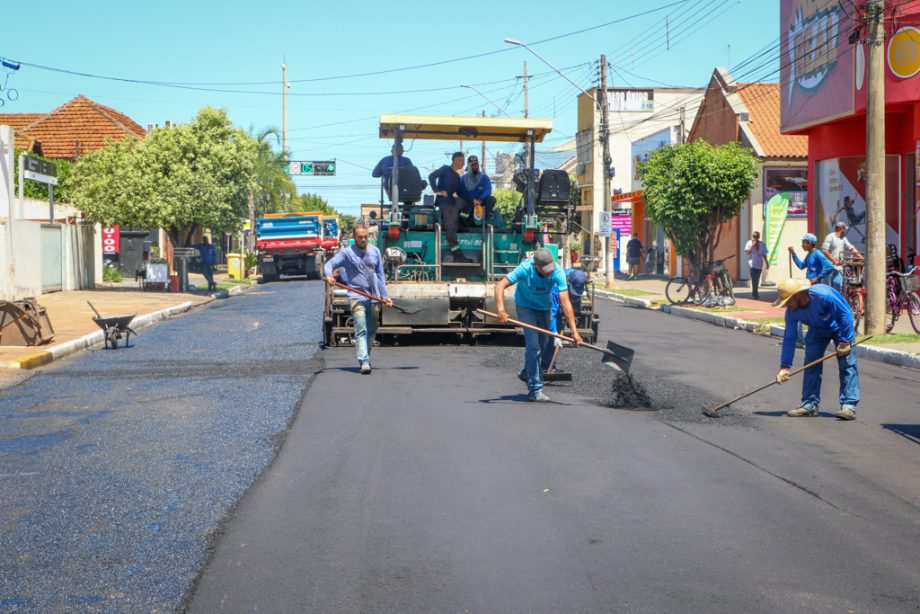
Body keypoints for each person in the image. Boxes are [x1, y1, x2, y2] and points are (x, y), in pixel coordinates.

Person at [494, 248, 583, 402]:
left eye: (550, 269)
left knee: (543, 343)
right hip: (525, 307)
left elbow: (565, 302)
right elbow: (500, 285)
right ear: (536, 266)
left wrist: (574, 332)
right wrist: (501, 310)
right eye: (545, 270)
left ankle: (527, 372)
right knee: (533, 346)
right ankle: (535, 389)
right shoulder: (525, 269)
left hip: (545, 308)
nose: (549, 273)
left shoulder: (557, 271)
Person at [773, 278, 859, 420]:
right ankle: (809, 404)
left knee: (847, 364)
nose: (786, 305)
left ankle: (849, 406)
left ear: (798, 295)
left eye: (788, 301)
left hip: (840, 328)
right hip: (817, 330)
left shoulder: (823, 295)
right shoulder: (792, 311)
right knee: (811, 365)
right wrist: (785, 367)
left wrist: (845, 341)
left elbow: (845, 314)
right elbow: (789, 337)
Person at [323, 224, 393, 374]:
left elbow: (381, 275)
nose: (363, 239)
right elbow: (330, 264)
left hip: (374, 296)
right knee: (361, 328)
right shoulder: (347, 253)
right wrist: (329, 275)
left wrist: (385, 296)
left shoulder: (375, 251)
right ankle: (364, 361)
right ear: (354, 237)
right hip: (357, 296)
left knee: (372, 329)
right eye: (360, 237)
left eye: (365, 237)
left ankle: (365, 355)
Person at [428, 152, 470, 263]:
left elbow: (460, 193)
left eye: (463, 161)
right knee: (451, 229)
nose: (463, 163)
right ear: (455, 160)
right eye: (461, 160)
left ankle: (461, 222)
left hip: (453, 202)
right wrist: (437, 191)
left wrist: (473, 199)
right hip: (444, 203)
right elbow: (431, 176)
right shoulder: (445, 169)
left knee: (468, 202)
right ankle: (457, 254)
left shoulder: (457, 176)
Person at [821, 221, 862, 291]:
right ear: (841, 229)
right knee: (828, 287)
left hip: (839, 267)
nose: (845, 231)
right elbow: (825, 250)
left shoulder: (844, 239)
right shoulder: (830, 237)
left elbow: (852, 249)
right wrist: (834, 261)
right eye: (844, 229)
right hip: (829, 266)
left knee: (838, 286)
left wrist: (861, 257)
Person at [457, 155, 496, 228]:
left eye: (476, 164)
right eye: (472, 165)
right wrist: (472, 200)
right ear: (468, 166)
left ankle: (480, 221)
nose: (475, 166)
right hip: (468, 202)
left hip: (481, 202)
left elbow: (488, 190)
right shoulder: (462, 179)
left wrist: (480, 199)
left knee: (492, 199)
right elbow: (460, 192)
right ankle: (463, 223)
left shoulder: (484, 177)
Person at [744, 231, 770, 299]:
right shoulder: (749, 243)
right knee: (754, 279)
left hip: (759, 264)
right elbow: (748, 252)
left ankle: (755, 293)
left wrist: (767, 263)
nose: (755, 238)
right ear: (752, 237)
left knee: (757, 279)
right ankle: (755, 293)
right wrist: (753, 245)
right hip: (752, 264)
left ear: (759, 237)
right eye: (754, 236)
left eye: (757, 236)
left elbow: (764, 254)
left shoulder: (762, 244)